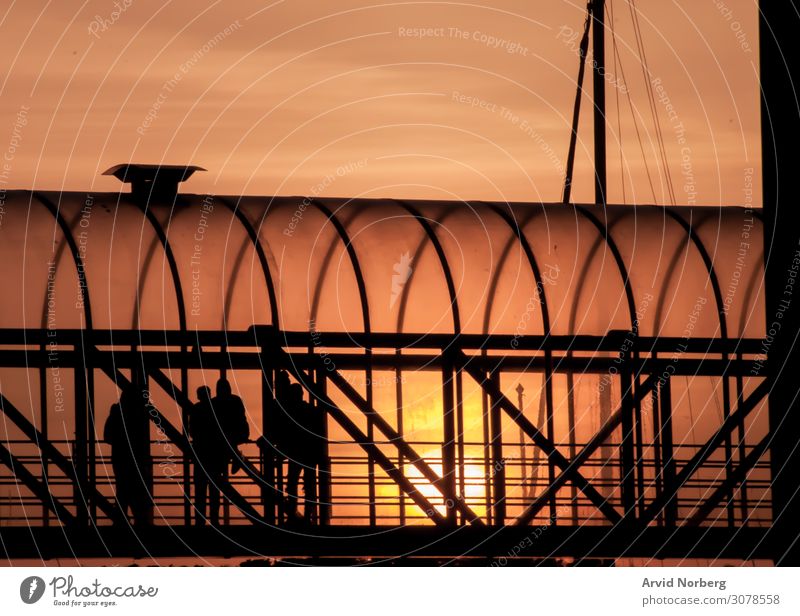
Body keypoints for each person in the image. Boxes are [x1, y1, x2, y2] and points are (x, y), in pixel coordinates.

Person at [103, 383, 154, 525]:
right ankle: (138, 520)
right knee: (135, 490)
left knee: (123, 489)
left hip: (120, 457)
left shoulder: (117, 412)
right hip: (134, 458)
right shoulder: (138, 413)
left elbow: (107, 436)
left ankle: (122, 519)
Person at [283, 383, 324, 524]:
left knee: (292, 483)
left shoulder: (291, 412)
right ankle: (308, 516)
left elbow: (287, 433)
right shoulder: (311, 410)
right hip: (310, 454)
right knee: (309, 486)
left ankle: (293, 514)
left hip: (296, 453)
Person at [187, 385, 227, 525]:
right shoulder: (217, 409)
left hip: (201, 453)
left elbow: (191, 430)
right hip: (215, 455)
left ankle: (200, 520)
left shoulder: (196, 410)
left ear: (198, 396)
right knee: (214, 490)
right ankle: (214, 520)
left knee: (200, 490)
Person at [212, 378, 250, 477]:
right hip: (238, 433)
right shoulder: (236, 399)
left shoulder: (214, 402)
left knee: (223, 446)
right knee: (228, 442)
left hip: (220, 435)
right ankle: (236, 456)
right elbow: (241, 417)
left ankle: (233, 458)